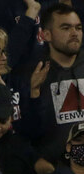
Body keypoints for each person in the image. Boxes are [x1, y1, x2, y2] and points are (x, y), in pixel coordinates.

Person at [28, 4, 84, 165]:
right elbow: (27, 131)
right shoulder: (33, 72)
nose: (74, 33)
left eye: (78, 28)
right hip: (55, 170)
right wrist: (34, 92)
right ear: (46, 35)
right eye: (66, 28)